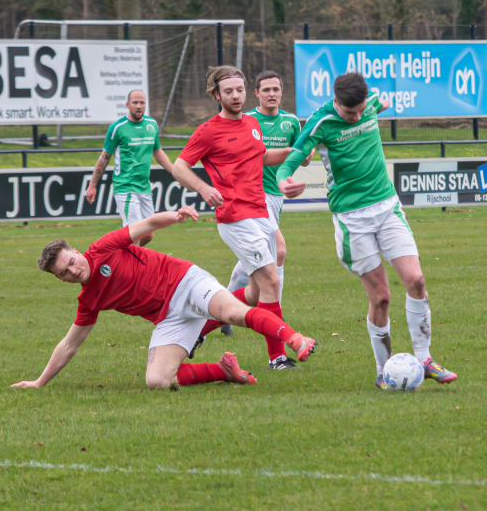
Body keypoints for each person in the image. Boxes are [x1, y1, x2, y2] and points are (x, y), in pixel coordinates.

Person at [276, 72, 457, 388]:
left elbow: (378, 102)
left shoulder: (370, 102)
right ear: (336, 101)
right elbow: (291, 158)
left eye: (361, 110)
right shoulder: (321, 122)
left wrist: (379, 105)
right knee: (382, 299)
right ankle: (384, 369)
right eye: (351, 113)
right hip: (352, 219)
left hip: (387, 207)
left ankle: (425, 358)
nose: (358, 116)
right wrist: (284, 180)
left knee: (416, 280)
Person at [10, 207, 318, 390]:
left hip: (185, 281)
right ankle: (224, 370)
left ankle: (294, 339)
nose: (73, 271)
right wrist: (39, 382)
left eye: (71, 262)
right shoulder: (88, 300)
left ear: (76, 252)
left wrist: (176, 215)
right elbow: (69, 345)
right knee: (157, 380)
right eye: (65, 272)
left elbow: (149, 225)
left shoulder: (103, 247)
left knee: (233, 314)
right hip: (170, 318)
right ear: (60, 279)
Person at [171, 66, 304, 371]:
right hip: (235, 218)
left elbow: (261, 157)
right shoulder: (208, 130)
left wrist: (293, 153)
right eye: (228, 91)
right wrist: (204, 188)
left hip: (261, 212)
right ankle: (278, 358)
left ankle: (198, 330)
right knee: (271, 281)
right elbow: (180, 166)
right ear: (216, 95)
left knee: (256, 293)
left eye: (240, 90)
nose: (235, 96)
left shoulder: (252, 124)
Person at [219, 71, 314, 362]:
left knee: (256, 262)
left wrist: (304, 154)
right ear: (257, 93)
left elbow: (301, 155)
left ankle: (219, 305)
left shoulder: (289, 121)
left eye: (277, 89)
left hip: (274, 196)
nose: (272, 94)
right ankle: (273, 320)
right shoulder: (247, 121)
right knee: (277, 253)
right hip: (252, 195)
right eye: (267, 89)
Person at [85, 89, 173, 247]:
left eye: (142, 103)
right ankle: (130, 269)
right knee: (134, 234)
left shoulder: (151, 125)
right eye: (135, 103)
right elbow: (104, 158)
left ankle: (121, 257)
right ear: (127, 105)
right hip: (125, 187)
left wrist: (175, 171)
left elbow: (157, 151)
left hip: (144, 187)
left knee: (149, 235)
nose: (139, 106)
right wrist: (92, 185)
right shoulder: (117, 128)